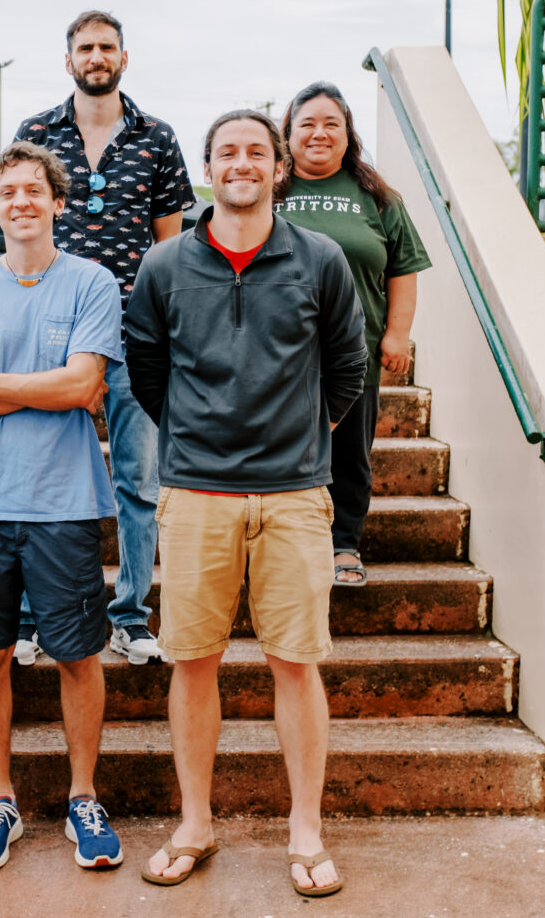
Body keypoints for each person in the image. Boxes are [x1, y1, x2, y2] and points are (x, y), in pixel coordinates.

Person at [124, 111, 367, 897]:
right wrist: (198, 438)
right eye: (227, 152)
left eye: (256, 152)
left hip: (296, 496)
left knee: (295, 665)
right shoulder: (165, 266)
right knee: (193, 663)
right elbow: (147, 369)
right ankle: (196, 822)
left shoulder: (320, 259)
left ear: (279, 168)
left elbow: (347, 366)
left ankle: (306, 829)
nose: (242, 164)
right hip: (196, 493)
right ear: (207, 168)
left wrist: (302, 437)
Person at [0, 142, 124, 872]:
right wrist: (40, 383)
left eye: (33, 191)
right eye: (7, 192)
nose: (20, 202)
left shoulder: (92, 281)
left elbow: (83, 388)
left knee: (77, 655)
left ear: (57, 202)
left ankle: (83, 797)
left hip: (64, 499)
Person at [6, 9, 194, 667]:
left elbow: (170, 245)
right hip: (50, 328)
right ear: (68, 60)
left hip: (133, 332)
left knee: (139, 481)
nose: (95, 56)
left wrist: (169, 328)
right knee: (39, 478)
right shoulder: (36, 133)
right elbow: (17, 226)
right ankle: (32, 617)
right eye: (84, 47)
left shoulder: (156, 137)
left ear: (122, 56)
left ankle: (130, 616)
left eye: (106, 46)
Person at [276, 81, 431, 587]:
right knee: (277, 449)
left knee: (348, 455)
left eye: (331, 124)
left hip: (353, 353)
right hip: (274, 354)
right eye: (307, 124)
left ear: (348, 134)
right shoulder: (270, 190)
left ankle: (344, 545)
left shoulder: (377, 196)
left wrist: (397, 334)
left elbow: (402, 269)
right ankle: (280, 546)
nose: (319, 133)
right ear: (289, 133)